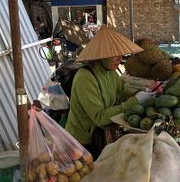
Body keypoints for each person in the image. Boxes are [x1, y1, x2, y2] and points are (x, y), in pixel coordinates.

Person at [65, 25, 154, 160]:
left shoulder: (110, 72)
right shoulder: (85, 78)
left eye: (121, 54)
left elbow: (120, 96)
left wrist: (141, 92)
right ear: (102, 56)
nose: (120, 59)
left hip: (102, 135)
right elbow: (100, 117)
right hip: (82, 143)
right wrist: (136, 100)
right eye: (115, 55)